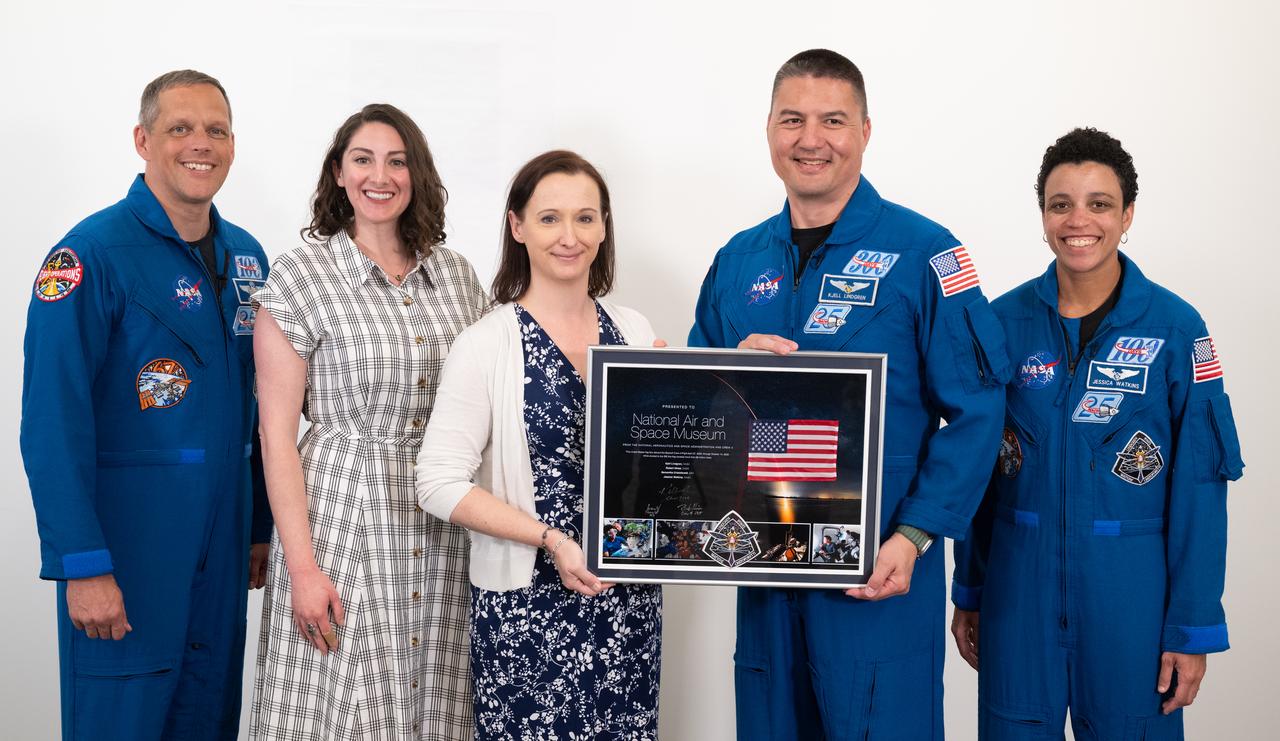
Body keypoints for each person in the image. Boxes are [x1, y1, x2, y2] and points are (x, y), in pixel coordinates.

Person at [688, 49, 1009, 739]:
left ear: (865, 130)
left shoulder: (926, 254)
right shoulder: (737, 260)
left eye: (833, 120)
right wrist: (725, 370)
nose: (812, 138)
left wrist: (916, 534)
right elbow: (690, 412)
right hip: (766, 579)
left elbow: (979, 409)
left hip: (877, 577)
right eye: (793, 119)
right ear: (768, 130)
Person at [950, 127, 1244, 739]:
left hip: (1130, 598)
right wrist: (971, 590)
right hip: (1017, 591)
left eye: (1099, 203)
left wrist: (1190, 628)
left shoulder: (1176, 329)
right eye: (1061, 204)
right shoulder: (1001, 323)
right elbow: (977, 472)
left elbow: (1199, 487)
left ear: (1128, 214)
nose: (1078, 220)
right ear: (1042, 216)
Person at [20, 69, 272, 740]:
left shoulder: (247, 258)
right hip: (130, 550)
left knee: (208, 712)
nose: (201, 144)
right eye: (180, 128)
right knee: (122, 718)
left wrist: (260, 524)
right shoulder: (90, 256)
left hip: (222, 547)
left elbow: (257, 400)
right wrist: (82, 562)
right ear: (142, 139)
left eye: (216, 130)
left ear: (233, 143)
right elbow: (51, 422)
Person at [249, 103, 487, 739]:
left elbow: (501, 386)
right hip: (341, 522)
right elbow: (276, 438)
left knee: (437, 697)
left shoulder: (458, 277)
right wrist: (300, 568)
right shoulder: (302, 276)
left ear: (418, 174)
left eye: (397, 160)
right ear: (338, 173)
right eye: (362, 159)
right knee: (343, 701)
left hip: (442, 520)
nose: (379, 176)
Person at [416, 150, 663, 739]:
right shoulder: (486, 344)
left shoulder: (633, 331)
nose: (569, 236)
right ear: (517, 226)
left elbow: (675, 458)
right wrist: (551, 541)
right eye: (549, 218)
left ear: (604, 228)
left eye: (585, 217)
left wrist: (738, 378)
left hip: (625, 603)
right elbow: (437, 482)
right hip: (527, 606)